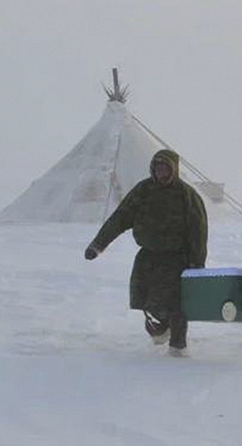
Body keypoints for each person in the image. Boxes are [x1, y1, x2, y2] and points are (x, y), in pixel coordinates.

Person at [84, 149, 208, 357]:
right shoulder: (144, 191)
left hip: (177, 258)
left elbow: (199, 232)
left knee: (176, 302)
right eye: (157, 168)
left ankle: (178, 346)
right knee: (144, 297)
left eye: (165, 168)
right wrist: (98, 245)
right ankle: (162, 327)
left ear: (174, 169)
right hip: (148, 256)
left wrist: (197, 264)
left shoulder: (187, 195)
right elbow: (120, 218)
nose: (161, 172)